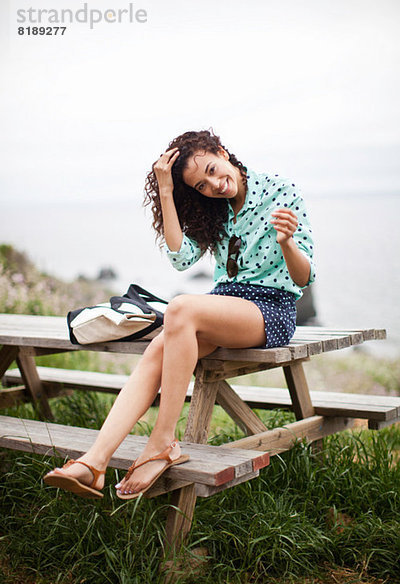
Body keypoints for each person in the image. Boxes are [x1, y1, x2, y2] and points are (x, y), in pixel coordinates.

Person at [44, 129, 315, 500]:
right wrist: (167, 192)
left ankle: (162, 441)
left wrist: (286, 243)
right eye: (201, 186)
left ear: (222, 151)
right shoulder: (214, 210)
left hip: (271, 309)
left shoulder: (278, 190)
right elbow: (181, 258)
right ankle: (93, 462)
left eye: (213, 170)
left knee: (181, 308)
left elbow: (304, 276)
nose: (215, 186)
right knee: (160, 346)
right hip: (224, 305)